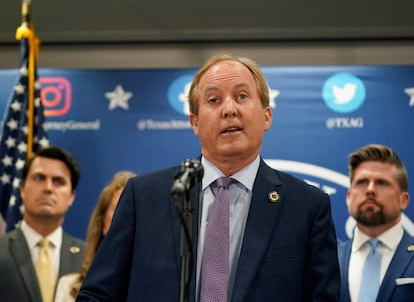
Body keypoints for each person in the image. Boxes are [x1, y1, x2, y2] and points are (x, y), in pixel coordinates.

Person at [76, 53, 340, 301]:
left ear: (267, 116)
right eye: (213, 100)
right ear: (194, 122)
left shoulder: (307, 207)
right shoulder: (143, 198)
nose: (229, 109)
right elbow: (97, 295)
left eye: (242, 96)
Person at [0, 146, 86, 302]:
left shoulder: (88, 258)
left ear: (71, 196)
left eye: (58, 181)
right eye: (39, 178)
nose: (48, 188)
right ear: (22, 189)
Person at [338, 144, 414, 302]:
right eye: (362, 182)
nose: (370, 190)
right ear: (349, 197)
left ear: (404, 200)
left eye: (382, 183)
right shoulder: (329, 259)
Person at [54, 170, 136, 302]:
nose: (128, 220)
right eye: (119, 210)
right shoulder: (68, 286)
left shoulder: (157, 288)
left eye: (134, 212)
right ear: (102, 222)